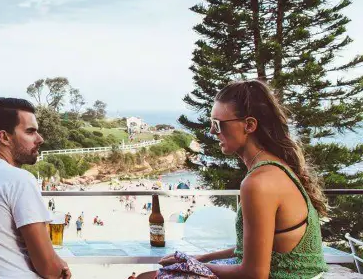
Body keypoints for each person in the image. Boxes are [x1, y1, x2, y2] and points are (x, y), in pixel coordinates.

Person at [139, 80, 328, 279]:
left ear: (249, 125)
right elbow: (250, 249)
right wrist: (199, 258)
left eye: (217, 124)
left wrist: (190, 265)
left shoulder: (259, 182)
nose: (212, 131)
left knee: (148, 277)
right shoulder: (277, 168)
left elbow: (254, 274)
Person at [0, 98, 70, 278]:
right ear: (4, 137)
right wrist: (60, 266)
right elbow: (50, 269)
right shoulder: (19, 180)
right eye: (30, 132)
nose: (40, 139)